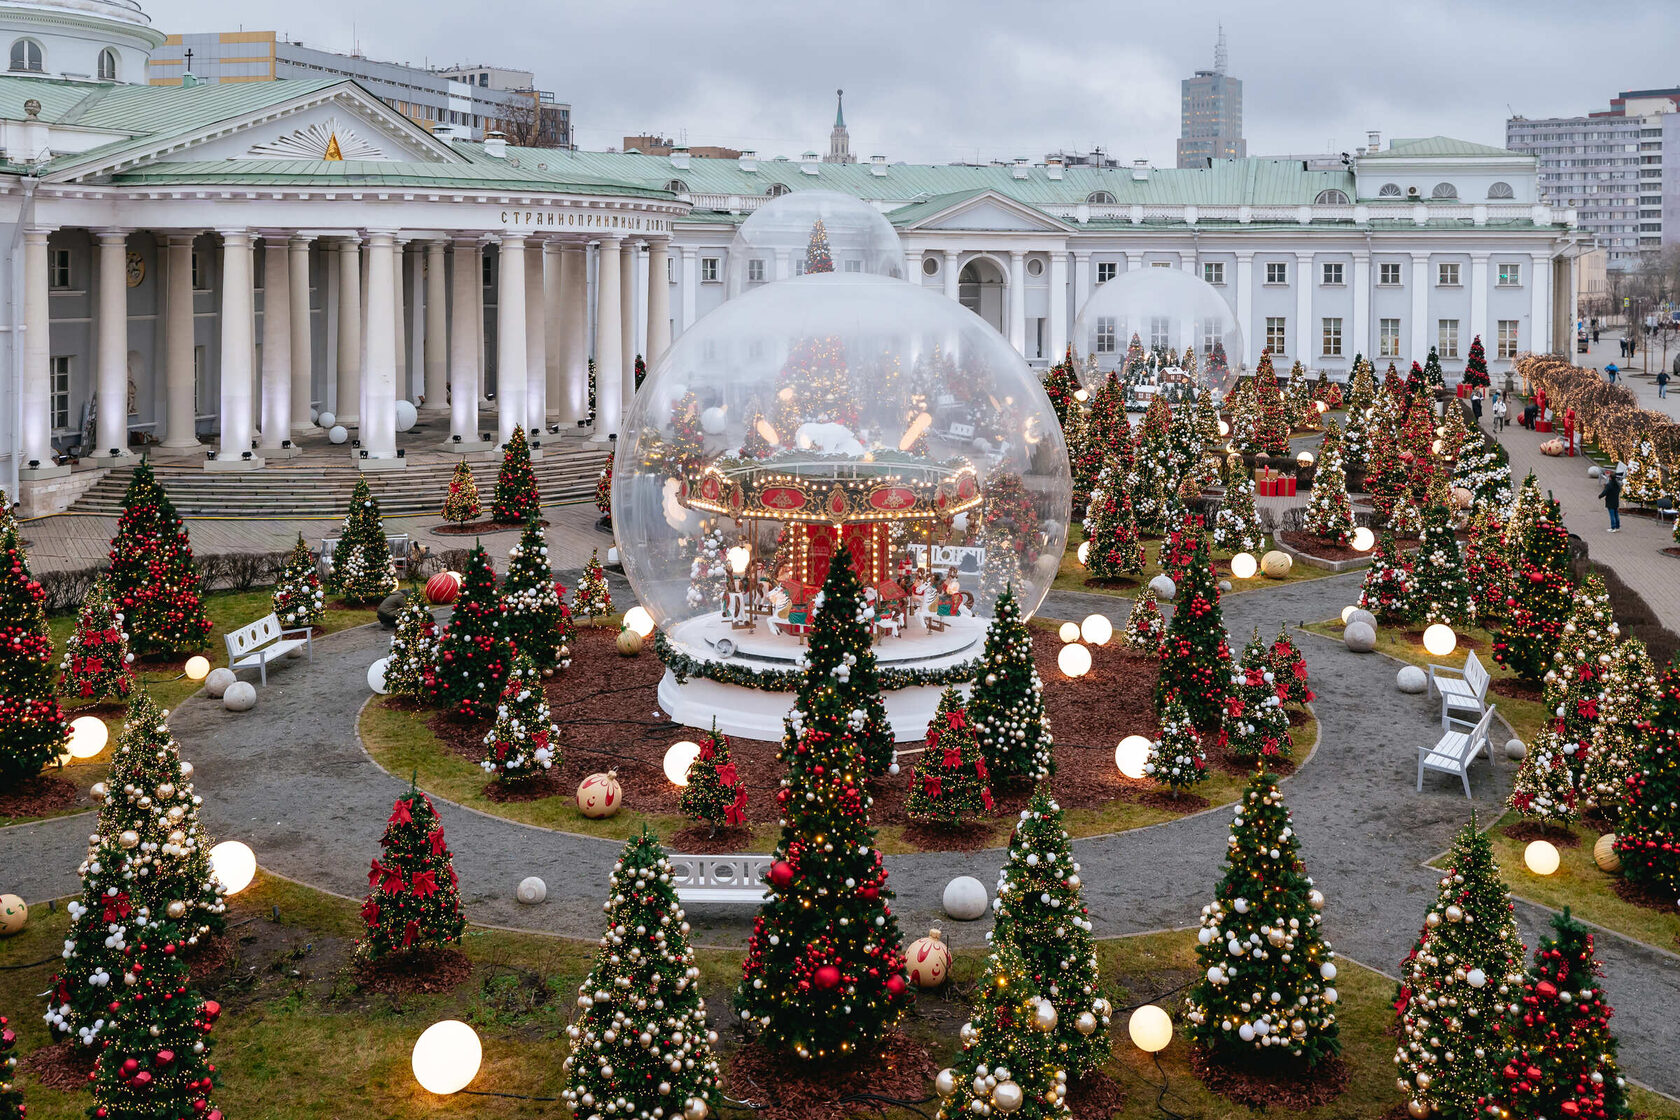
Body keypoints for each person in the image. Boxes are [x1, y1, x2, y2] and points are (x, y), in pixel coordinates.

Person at [1599, 466, 1623, 533]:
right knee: (1616, 515)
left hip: (1610, 501)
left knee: (1612, 515)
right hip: (1616, 501)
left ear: (1610, 478)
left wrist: (1600, 496)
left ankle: (1613, 527)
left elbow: (1605, 492)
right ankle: (1617, 527)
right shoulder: (1617, 484)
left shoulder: (1609, 485)